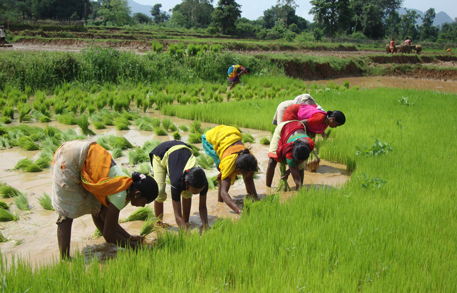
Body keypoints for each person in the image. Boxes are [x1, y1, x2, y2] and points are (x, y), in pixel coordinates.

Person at [52, 140, 159, 260]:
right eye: (144, 202)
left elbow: (102, 216)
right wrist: (137, 249)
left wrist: (128, 238)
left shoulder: (125, 185)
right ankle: (65, 259)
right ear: (137, 194)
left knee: (95, 206)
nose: (143, 206)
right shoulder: (120, 195)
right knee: (66, 213)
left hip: (82, 151)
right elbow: (109, 234)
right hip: (70, 159)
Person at [149, 140, 208, 230]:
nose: (198, 192)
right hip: (160, 155)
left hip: (182, 151)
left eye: (200, 190)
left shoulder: (202, 182)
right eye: (196, 190)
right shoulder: (177, 181)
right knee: (159, 191)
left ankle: (186, 221)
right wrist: (187, 234)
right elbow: (177, 216)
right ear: (187, 183)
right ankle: (158, 223)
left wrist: (205, 225)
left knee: (187, 194)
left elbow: (203, 207)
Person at [202, 125, 259, 214]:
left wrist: (256, 199)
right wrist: (238, 210)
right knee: (223, 172)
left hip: (228, 134)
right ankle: (219, 202)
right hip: (211, 139)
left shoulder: (251, 159)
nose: (247, 175)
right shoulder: (229, 163)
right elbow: (224, 192)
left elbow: (249, 179)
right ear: (237, 169)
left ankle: (250, 196)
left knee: (240, 175)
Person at [266, 120, 315, 190]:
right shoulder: (289, 153)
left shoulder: (310, 143)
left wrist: (288, 172)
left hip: (299, 124)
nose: (300, 162)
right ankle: (268, 187)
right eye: (298, 160)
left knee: (301, 166)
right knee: (272, 160)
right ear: (293, 155)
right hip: (283, 128)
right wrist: (299, 185)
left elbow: (297, 165)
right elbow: (296, 180)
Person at [282, 101, 346, 138]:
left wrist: (323, 134)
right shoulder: (320, 118)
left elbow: (316, 127)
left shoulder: (325, 122)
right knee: (290, 135)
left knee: (309, 135)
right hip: (293, 113)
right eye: (336, 125)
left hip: (300, 116)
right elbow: (300, 123)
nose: (335, 127)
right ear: (333, 119)